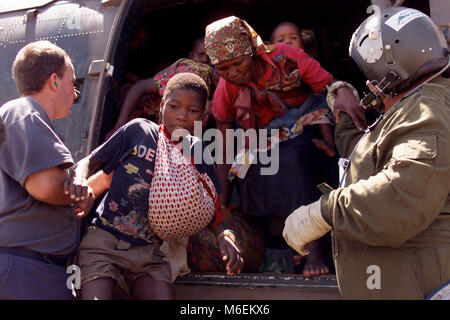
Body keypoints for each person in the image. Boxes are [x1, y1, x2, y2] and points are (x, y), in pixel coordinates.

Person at [283, 6, 450, 299]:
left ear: (388, 71)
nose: (369, 84)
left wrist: (322, 213)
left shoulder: (428, 114)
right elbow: (368, 157)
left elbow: (401, 197)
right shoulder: (413, 108)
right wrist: (341, 100)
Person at [204, 16, 363, 276]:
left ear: (253, 52)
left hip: (304, 125)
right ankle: (279, 250)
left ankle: (314, 251)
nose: (231, 72)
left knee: (292, 160)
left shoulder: (287, 58)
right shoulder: (227, 87)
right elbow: (225, 144)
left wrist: (343, 91)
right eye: (222, 68)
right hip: (260, 139)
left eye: (237, 63)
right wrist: (221, 202)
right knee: (253, 171)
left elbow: (329, 85)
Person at [67, 73, 243, 300]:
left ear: (204, 116)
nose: (181, 116)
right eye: (174, 106)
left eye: (193, 111)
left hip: (149, 252)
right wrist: (79, 178)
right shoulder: (139, 131)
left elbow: (214, 210)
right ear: (162, 105)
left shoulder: (197, 152)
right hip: (104, 243)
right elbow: (90, 161)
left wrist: (224, 237)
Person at [0, 40, 91, 299]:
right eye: (72, 83)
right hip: (27, 272)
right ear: (54, 81)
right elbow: (46, 185)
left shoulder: (25, 117)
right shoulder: (24, 113)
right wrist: (87, 189)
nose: (75, 94)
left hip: (34, 270)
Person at [106, 37, 215, 140]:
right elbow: (139, 87)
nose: (205, 60)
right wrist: (118, 127)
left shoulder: (212, 80)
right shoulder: (188, 70)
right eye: (200, 55)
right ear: (191, 56)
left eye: (210, 56)